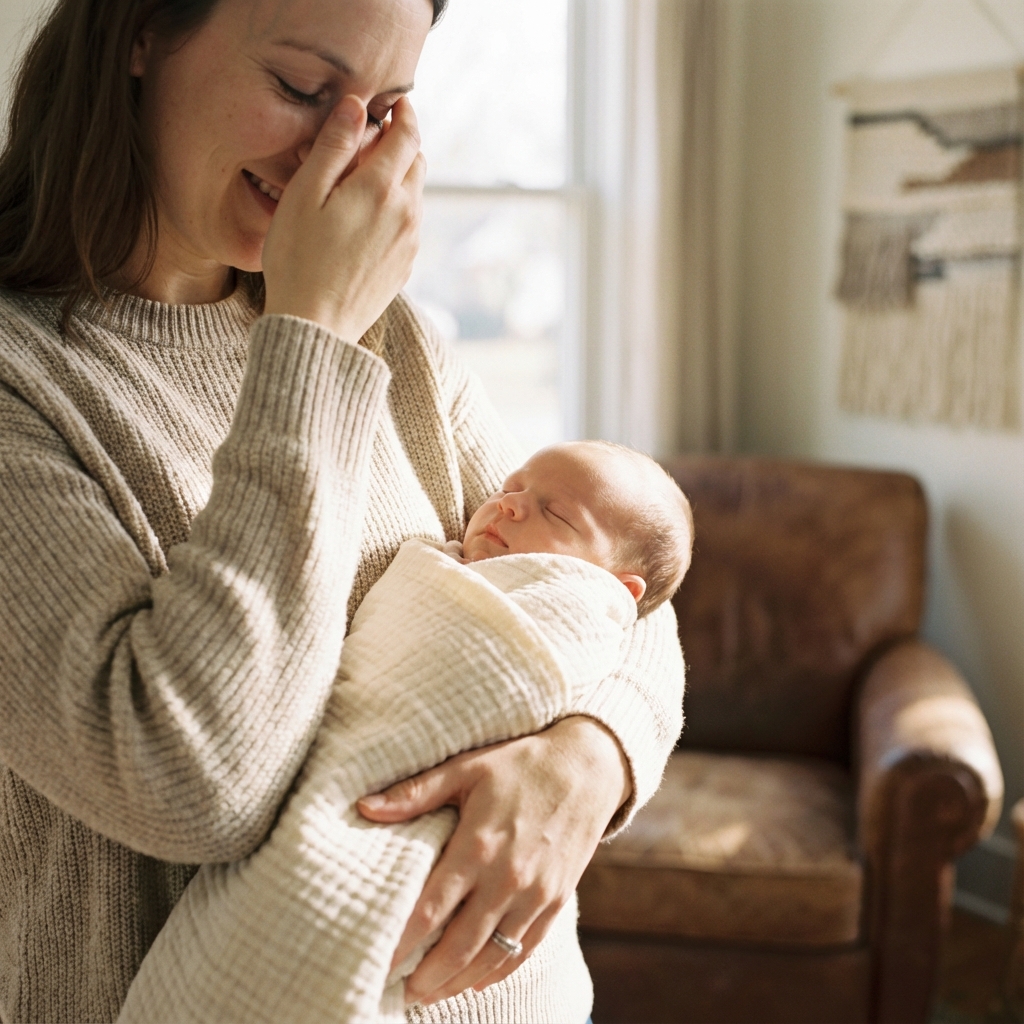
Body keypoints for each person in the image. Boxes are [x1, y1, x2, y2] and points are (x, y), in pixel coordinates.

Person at [0, 0, 685, 1021]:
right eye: (301, 89)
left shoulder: (397, 336)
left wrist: (591, 758)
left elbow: (620, 594)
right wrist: (309, 332)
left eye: (386, 105)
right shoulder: (32, 382)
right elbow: (193, 783)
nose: (342, 147)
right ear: (140, 32)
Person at [118, 441, 694, 1024]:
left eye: (557, 515)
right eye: (508, 489)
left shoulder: (415, 356)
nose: (511, 506)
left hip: (525, 995)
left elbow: (642, 616)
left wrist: (593, 754)